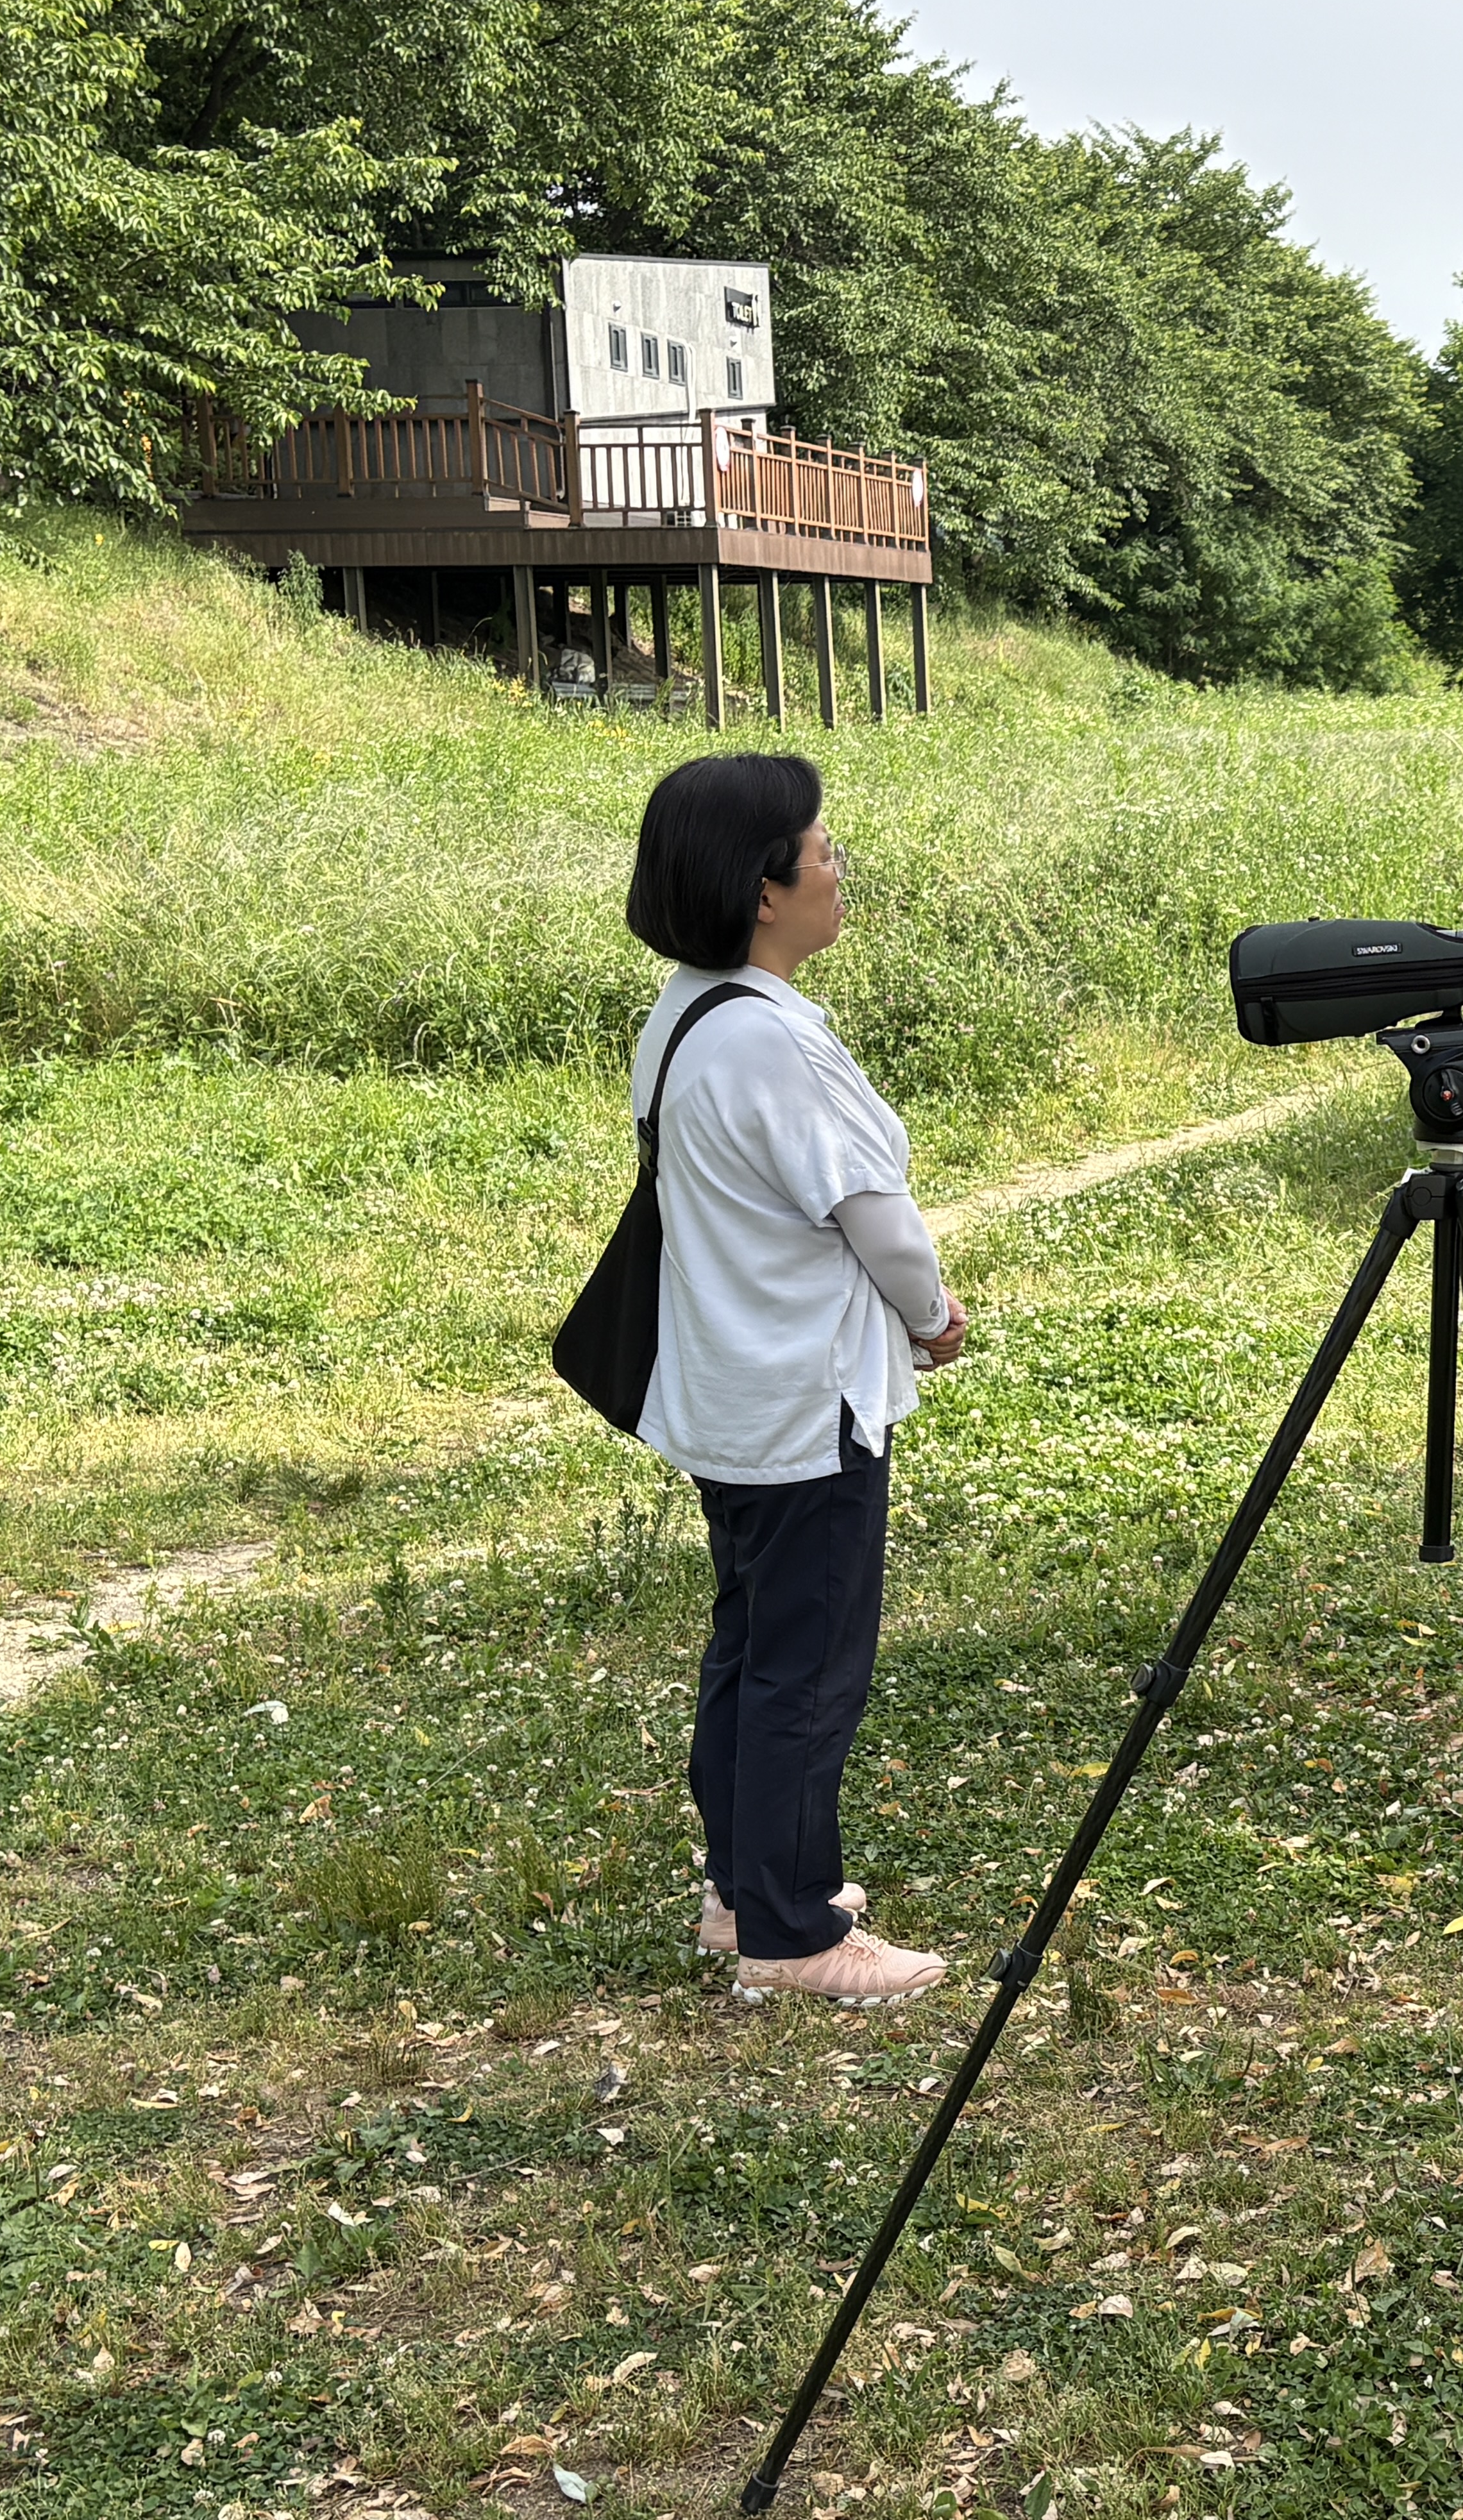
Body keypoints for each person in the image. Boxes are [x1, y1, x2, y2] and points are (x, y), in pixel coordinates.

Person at [622, 753, 968, 2011]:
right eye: (823, 851)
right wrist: (931, 1318)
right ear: (763, 889)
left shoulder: (686, 1015)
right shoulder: (772, 1042)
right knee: (807, 1670)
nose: (837, 868)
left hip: (730, 1391)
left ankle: (742, 1888)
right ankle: (791, 1928)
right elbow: (876, 1219)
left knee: (753, 1647)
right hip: (807, 1399)